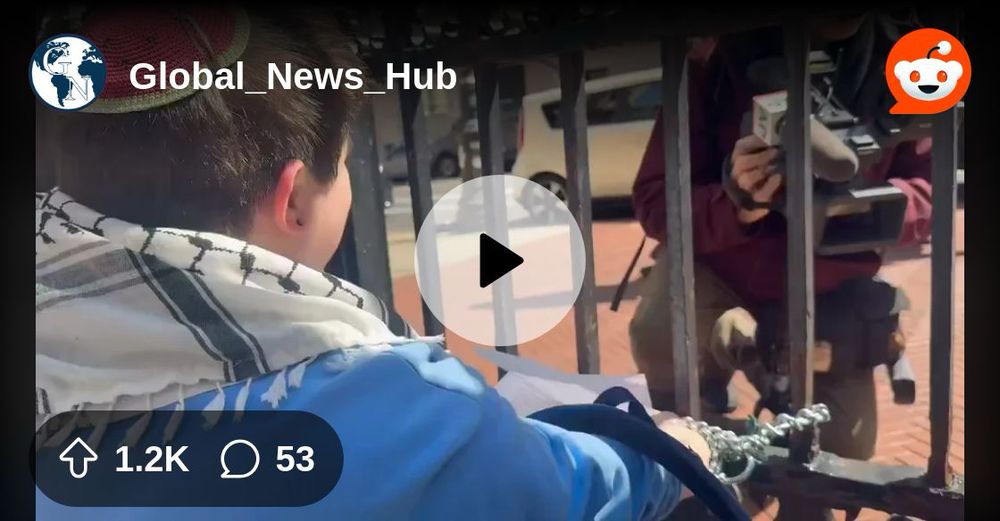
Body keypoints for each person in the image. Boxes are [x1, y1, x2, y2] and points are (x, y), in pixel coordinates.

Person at [34, 6, 736, 520]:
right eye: (341, 164)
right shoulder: (400, 401)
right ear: (295, 198)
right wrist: (672, 456)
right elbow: (564, 492)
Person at [629, 13, 932, 520]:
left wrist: (857, 204)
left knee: (844, 456)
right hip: (722, 272)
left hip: (831, 292)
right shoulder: (712, 64)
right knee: (661, 332)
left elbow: (929, 190)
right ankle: (713, 466)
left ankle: (772, 444)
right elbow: (655, 200)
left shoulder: (911, 64)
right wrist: (737, 201)